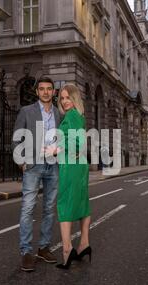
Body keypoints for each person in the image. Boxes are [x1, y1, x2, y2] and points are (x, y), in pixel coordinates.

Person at [12, 77, 61, 272]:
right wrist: (21, 161)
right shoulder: (26, 111)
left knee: (49, 208)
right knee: (28, 208)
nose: (46, 92)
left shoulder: (58, 114)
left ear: (53, 92)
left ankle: (44, 247)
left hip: (53, 165)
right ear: (37, 92)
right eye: (42, 89)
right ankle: (26, 251)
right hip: (33, 165)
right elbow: (17, 136)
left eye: (49, 89)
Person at [56, 83, 92, 269]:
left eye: (68, 97)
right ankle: (84, 244)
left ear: (74, 98)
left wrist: (57, 148)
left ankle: (67, 250)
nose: (64, 101)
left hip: (70, 165)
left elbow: (77, 142)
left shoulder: (70, 116)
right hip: (80, 165)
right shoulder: (79, 116)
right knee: (82, 203)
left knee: (64, 204)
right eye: (62, 98)